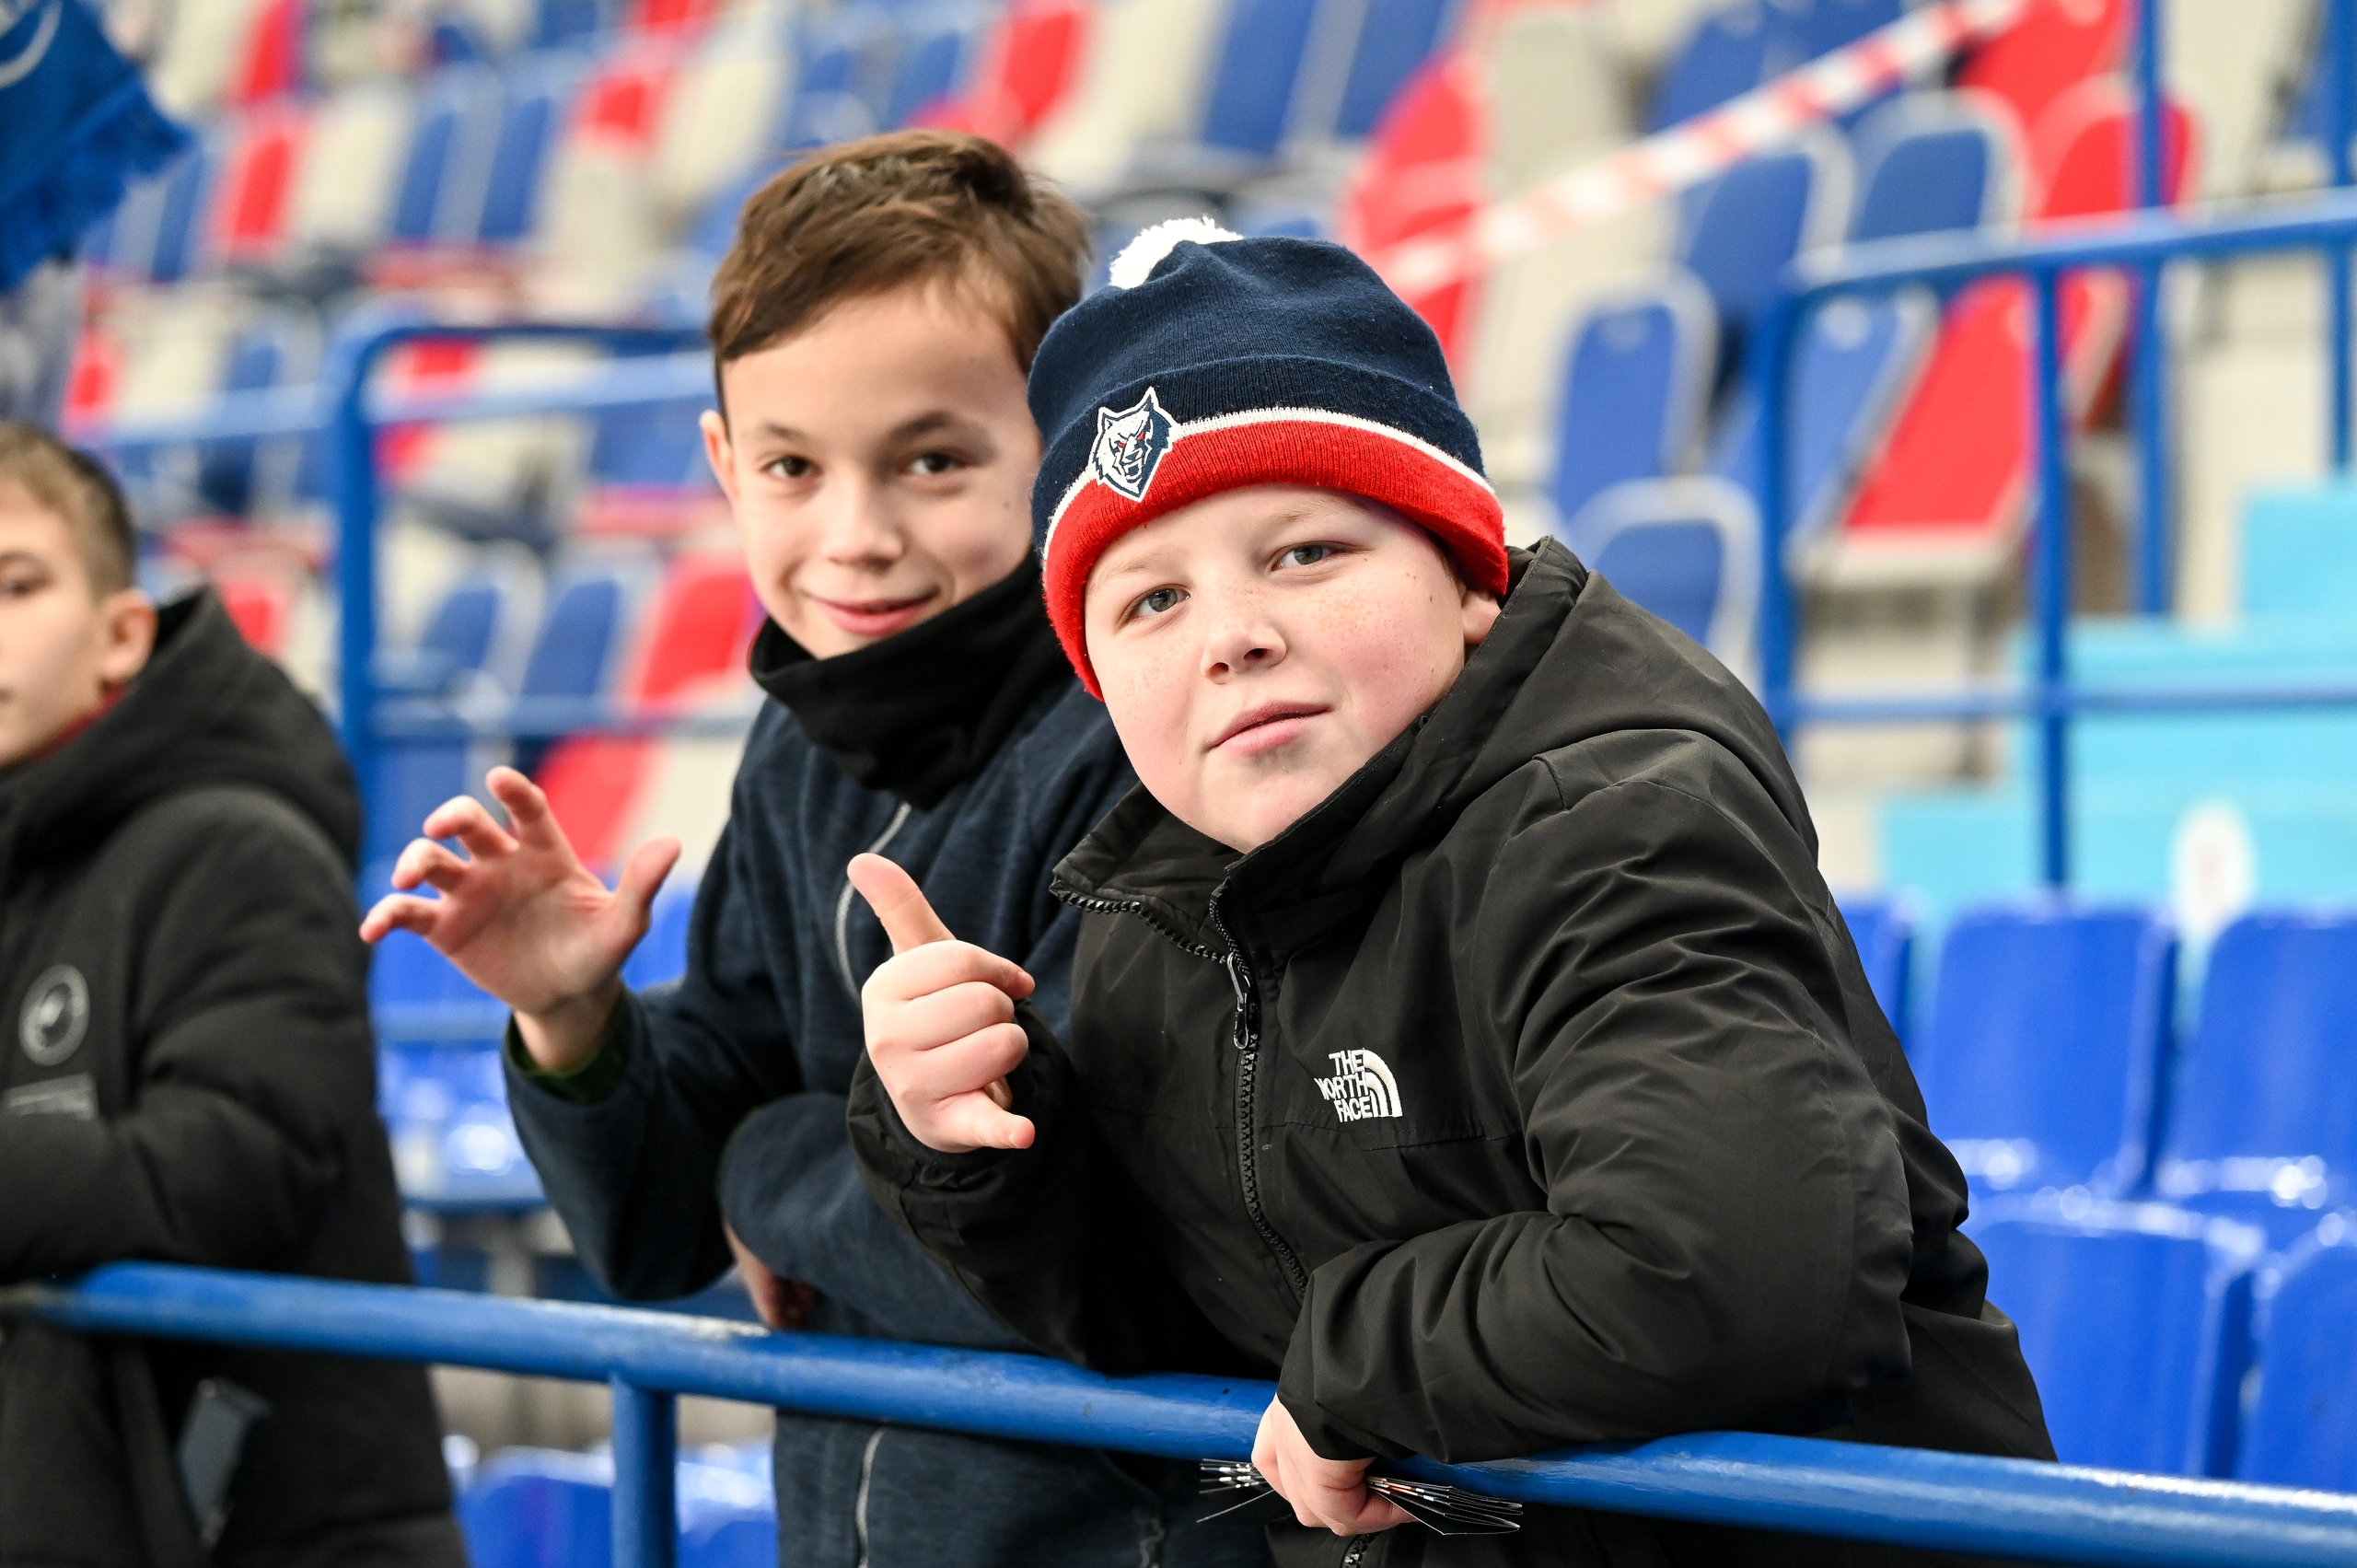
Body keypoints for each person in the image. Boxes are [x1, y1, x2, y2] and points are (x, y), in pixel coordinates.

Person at [844, 226, 2057, 1568]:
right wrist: (974, 1132)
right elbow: (1177, 1312)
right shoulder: (1171, 906)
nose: (1232, 634)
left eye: (1304, 552)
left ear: (1469, 576)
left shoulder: (1617, 822)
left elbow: (1729, 1267)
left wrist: (1353, 1360)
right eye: (1151, 600)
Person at [361, 134, 1271, 1568]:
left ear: (1065, 443)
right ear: (725, 466)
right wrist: (575, 1023)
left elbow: (1049, 1255)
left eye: (932, 460)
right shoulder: (798, 748)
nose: (857, 536)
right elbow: (658, 1231)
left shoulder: (1143, 740)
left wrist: (772, 1161)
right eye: (793, 466)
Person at [0, 423, 464, 1568]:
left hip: (279, 1532)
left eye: (16, 585)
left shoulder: (238, 845)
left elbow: (230, 1167)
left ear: (121, 632)